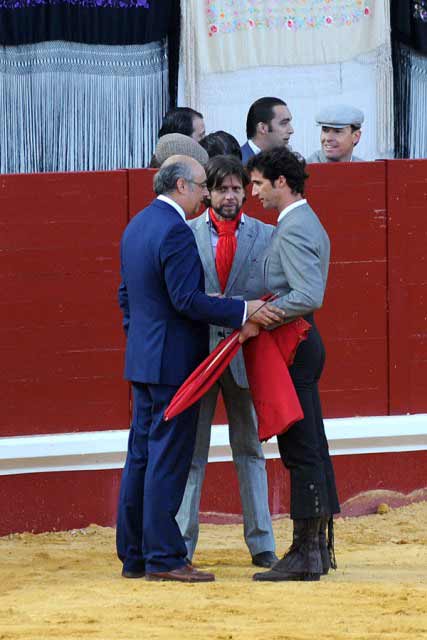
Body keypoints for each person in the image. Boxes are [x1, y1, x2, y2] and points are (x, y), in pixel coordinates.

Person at [116, 155, 284, 583]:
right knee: (168, 459)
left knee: (141, 456)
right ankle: (164, 557)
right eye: (201, 186)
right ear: (181, 186)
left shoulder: (137, 225)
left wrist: (141, 344)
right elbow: (187, 300)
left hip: (143, 359)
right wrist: (244, 308)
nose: (206, 194)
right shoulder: (174, 231)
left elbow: (126, 297)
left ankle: (134, 554)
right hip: (174, 363)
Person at [176, 155, 278, 569]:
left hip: (244, 352)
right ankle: (181, 544)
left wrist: (249, 317)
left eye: (237, 188)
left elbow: (276, 290)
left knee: (250, 449)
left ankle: (262, 542)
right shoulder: (185, 235)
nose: (231, 196)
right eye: (222, 189)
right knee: (192, 453)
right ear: (208, 193)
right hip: (199, 355)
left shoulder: (266, 235)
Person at [245, 147, 340, 582]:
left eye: (260, 183)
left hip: (295, 343)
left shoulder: (296, 226)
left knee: (301, 448)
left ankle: (306, 551)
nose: (254, 191)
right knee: (311, 444)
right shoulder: (301, 221)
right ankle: (316, 548)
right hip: (302, 342)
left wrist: (262, 314)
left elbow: (309, 294)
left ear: (281, 182)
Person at [240, 97, 294, 164]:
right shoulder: (238, 164)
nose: (291, 130)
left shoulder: (286, 161)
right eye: (283, 123)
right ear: (262, 128)